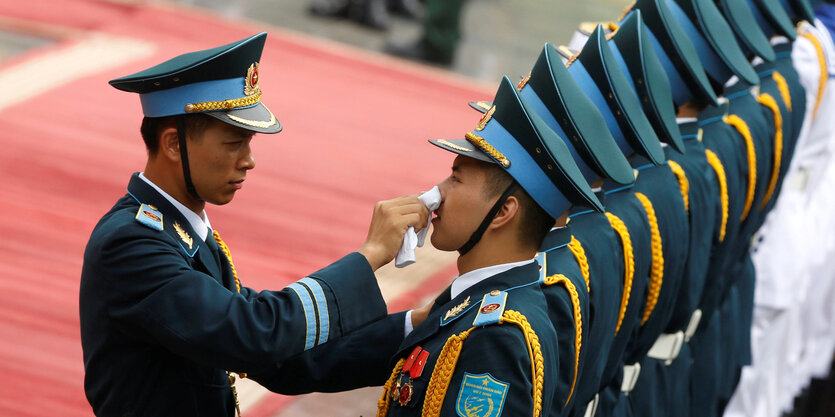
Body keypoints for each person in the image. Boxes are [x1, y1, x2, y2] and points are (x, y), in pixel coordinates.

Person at [79, 32, 430, 417]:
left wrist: (416, 329)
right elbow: (250, 335)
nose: (249, 161)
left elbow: (287, 361)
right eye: (234, 143)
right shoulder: (132, 243)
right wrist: (371, 255)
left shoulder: (185, 236)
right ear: (174, 144)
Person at [376, 75, 604, 416]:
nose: (436, 194)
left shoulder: (497, 334)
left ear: (503, 212)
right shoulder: (483, 300)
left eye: (455, 179)